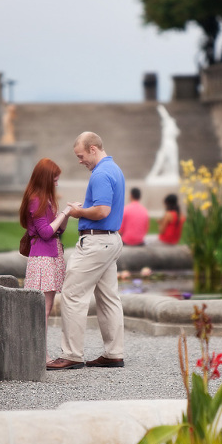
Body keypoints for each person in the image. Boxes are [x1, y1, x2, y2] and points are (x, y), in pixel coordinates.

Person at [47, 132, 125, 371]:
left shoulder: (100, 173)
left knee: (72, 294)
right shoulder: (115, 169)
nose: (80, 161)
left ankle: (71, 354)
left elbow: (102, 211)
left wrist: (76, 212)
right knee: (109, 298)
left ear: (93, 149)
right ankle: (114, 353)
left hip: (95, 243)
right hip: (110, 241)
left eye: (81, 156)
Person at [19, 158, 72, 367]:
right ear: (46, 178)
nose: (57, 183)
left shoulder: (45, 198)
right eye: (55, 179)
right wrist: (65, 213)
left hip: (50, 255)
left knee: (45, 308)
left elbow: (58, 230)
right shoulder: (36, 199)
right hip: (43, 257)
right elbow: (46, 232)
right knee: (43, 308)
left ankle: (37, 352)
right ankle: (40, 354)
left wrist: (64, 215)